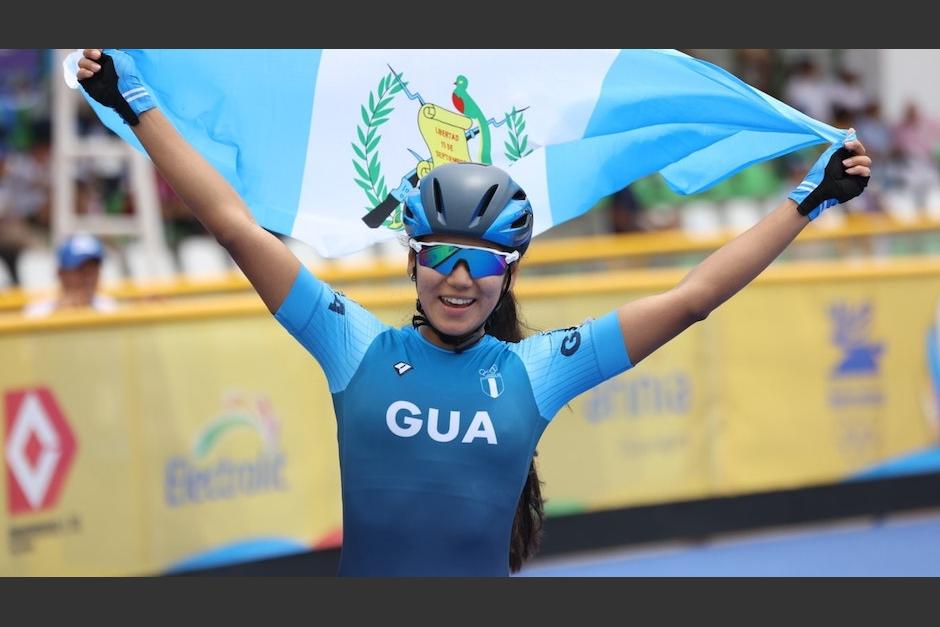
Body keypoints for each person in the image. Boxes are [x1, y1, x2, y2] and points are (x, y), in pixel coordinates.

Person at [75, 49, 872, 576]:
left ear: (509, 270)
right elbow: (234, 224)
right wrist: (134, 101)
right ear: (413, 258)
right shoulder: (351, 342)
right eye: (442, 256)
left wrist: (810, 197)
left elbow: (691, 300)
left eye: (483, 259)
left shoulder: (537, 370)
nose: (460, 279)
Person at [22, 232, 118, 317]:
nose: (88, 277)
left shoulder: (112, 309)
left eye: (93, 270)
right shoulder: (37, 314)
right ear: (61, 273)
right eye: (81, 270)